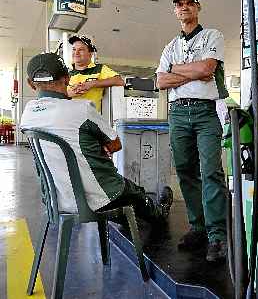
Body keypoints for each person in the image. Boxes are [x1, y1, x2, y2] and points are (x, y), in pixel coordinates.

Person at [21, 53, 171, 223]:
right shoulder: (81, 109)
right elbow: (115, 145)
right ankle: (158, 214)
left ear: (30, 84)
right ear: (67, 78)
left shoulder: (27, 115)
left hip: (56, 199)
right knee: (133, 192)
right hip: (98, 199)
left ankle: (131, 217)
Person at [156, 0, 229, 262]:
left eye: (189, 3)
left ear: (197, 7)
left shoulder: (213, 36)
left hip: (205, 113)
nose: (184, 8)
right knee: (186, 171)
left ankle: (217, 236)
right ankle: (198, 227)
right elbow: (161, 82)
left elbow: (207, 69)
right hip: (177, 113)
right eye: (179, 4)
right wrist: (188, 73)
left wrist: (175, 70)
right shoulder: (169, 47)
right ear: (175, 11)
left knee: (211, 171)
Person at [67, 35, 124, 113]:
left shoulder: (100, 69)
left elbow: (119, 81)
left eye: (81, 50)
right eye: (74, 49)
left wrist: (91, 84)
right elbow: (54, 97)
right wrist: (69, 93)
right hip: (70, 120)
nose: (76, 53)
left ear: (90, 54)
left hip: (90, 120)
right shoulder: (66, 74)